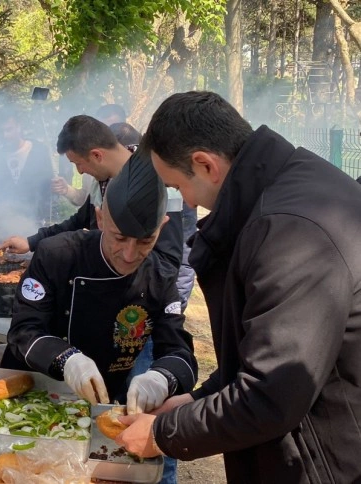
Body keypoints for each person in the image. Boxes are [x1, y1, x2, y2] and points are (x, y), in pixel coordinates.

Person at [117, 91, 361, 483]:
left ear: (205, 164)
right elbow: (262, 352)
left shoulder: (291, 232)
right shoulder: (294, 181)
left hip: (324, 463)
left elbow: (272, 393)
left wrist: (164, 434)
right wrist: (195, 399)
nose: (186, 200)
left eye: (178, 187)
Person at [1, 150, 197, 409]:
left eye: (145, 241)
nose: (129, 254)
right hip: (30, 389)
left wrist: (162, 378)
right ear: (101, 219)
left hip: (100, 398)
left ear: (162, 226)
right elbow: (23, 330)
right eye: (119, 237)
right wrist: (67, 360)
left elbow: (180, 352)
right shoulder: (57, 255)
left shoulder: (159, 277)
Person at [1, 115, 183, 276]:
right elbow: (78, 221)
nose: (79, 172)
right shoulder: (101, 182)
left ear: (96, 155)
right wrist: (30, 241)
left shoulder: (160, 183)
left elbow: (168, 262)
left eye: (78, 164)